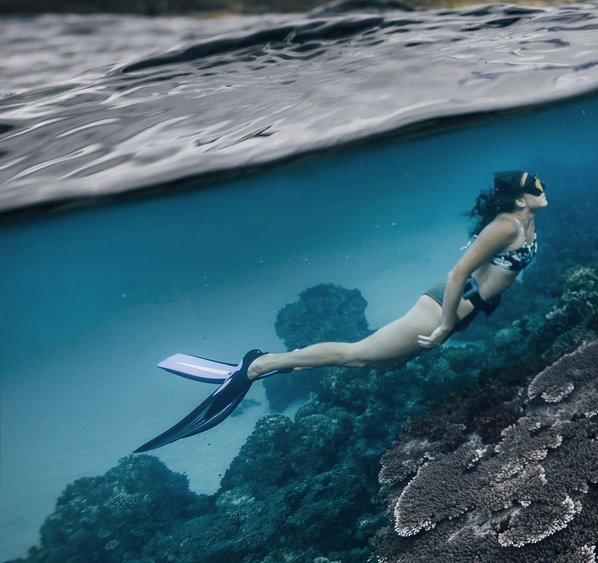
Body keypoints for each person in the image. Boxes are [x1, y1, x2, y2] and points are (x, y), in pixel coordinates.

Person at [135, 170, 546, 452]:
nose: (543, 188)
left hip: (464, 311)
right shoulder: (507, 225)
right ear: (519, 197)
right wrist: (443, 325)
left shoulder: (524, 222)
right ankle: (259, 366)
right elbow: (458, 274)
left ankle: (280, 365)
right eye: (535, 184)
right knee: (358, 353)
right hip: (445, 307)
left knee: (381, 366)